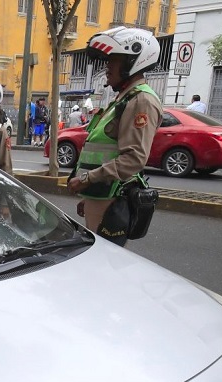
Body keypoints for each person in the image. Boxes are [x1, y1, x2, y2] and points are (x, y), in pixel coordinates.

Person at [67, 26, 163, 243]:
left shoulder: (141, 101)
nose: (107, 66)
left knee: (105, 266)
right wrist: (89, 195)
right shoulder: (124, 99)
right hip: (101, 196)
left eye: (114, 59)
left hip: (111, 199)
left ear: (132, 61)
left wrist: (86, 180)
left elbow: (133, 159)